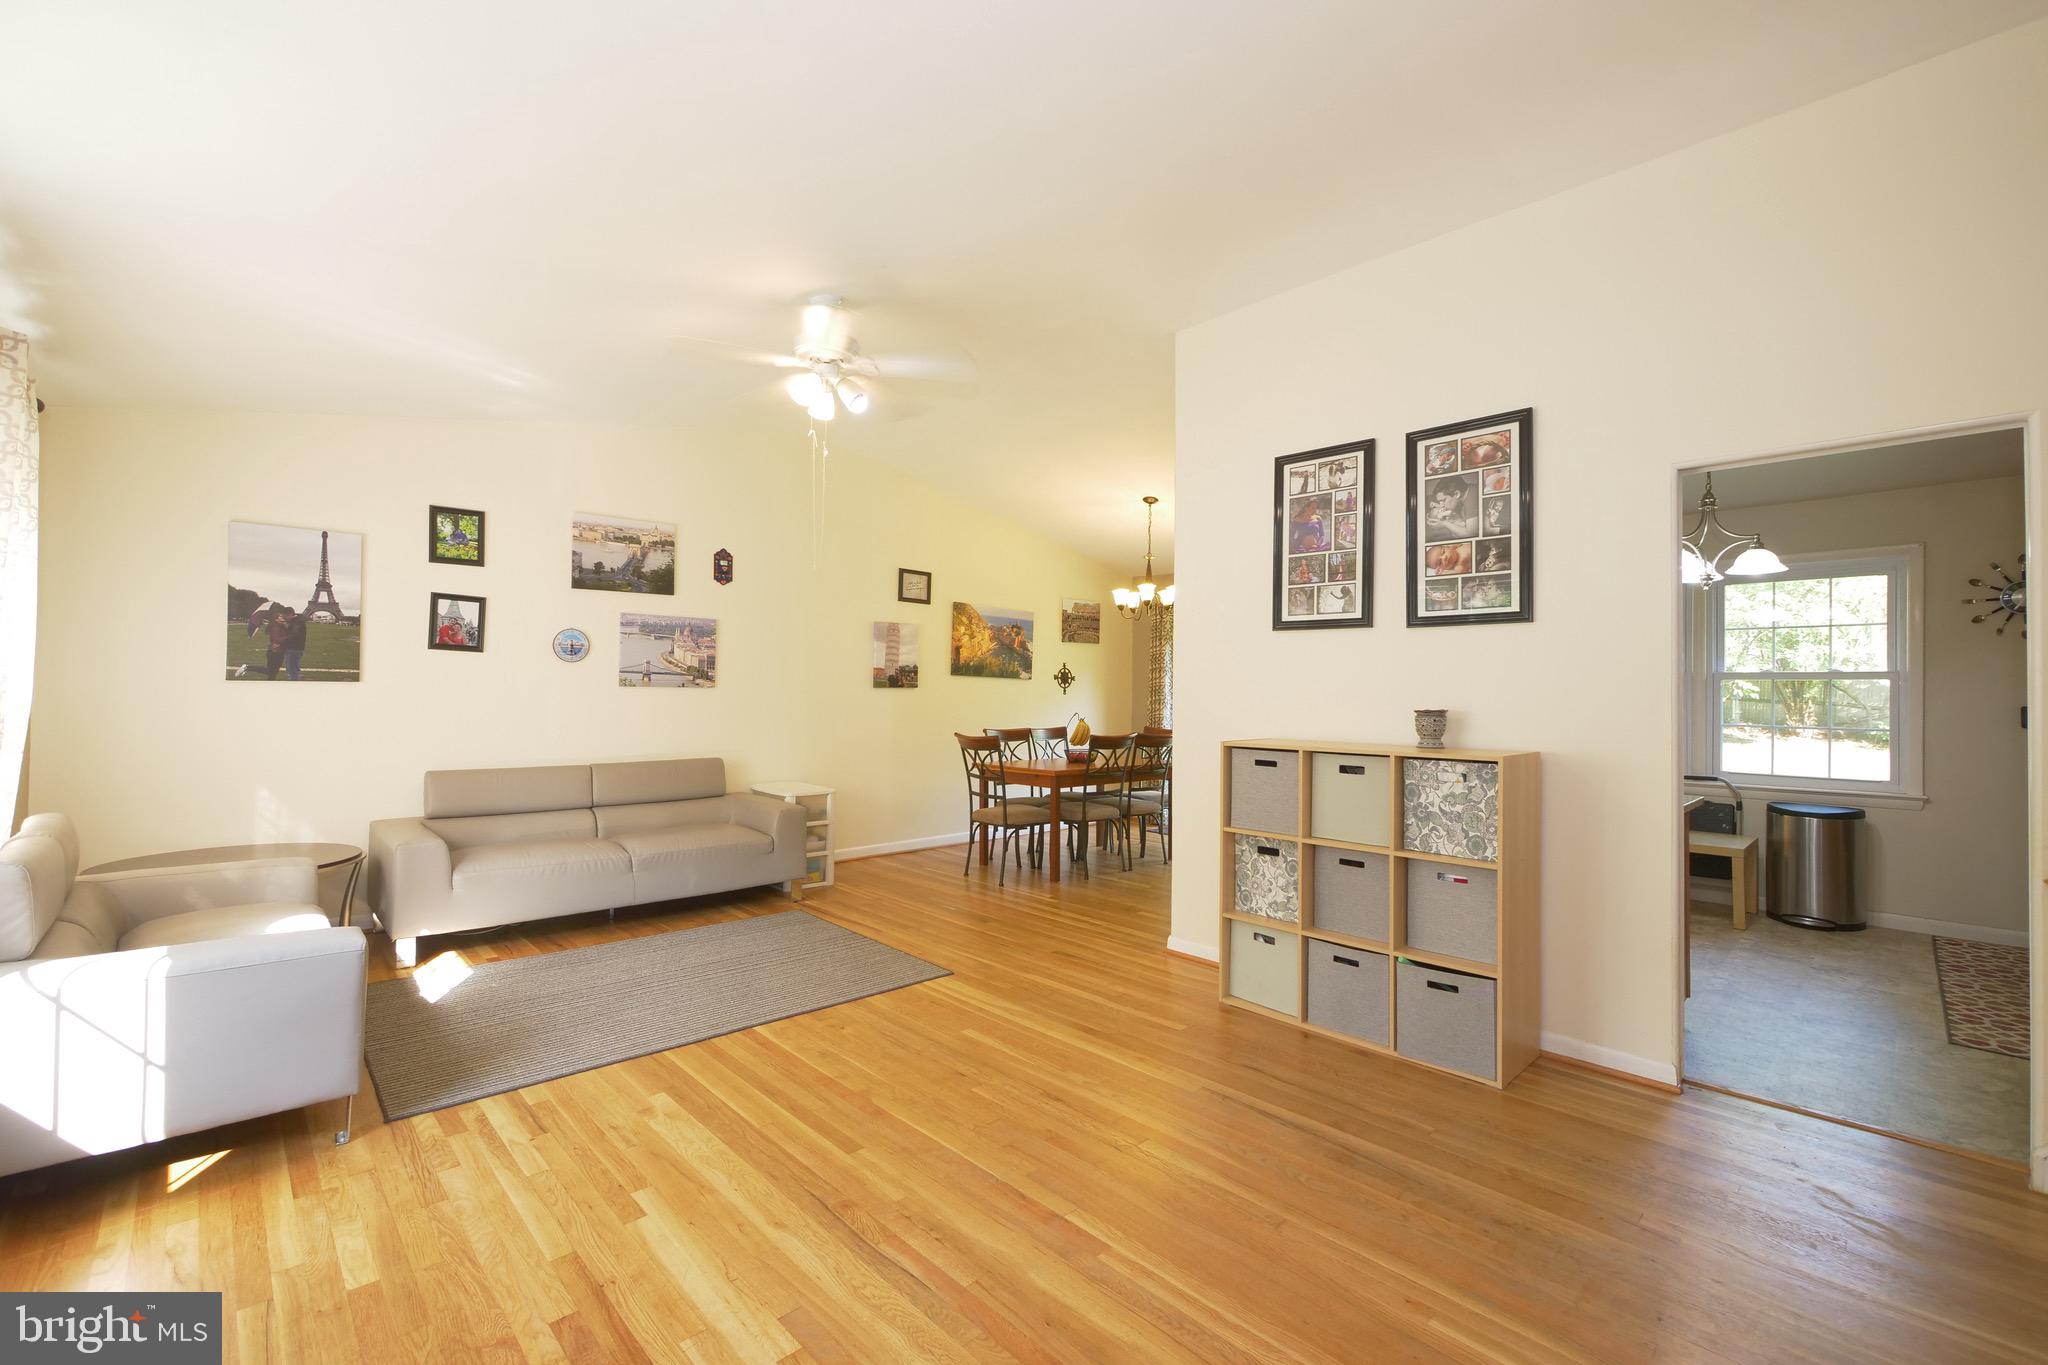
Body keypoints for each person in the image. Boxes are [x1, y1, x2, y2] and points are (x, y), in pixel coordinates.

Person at [263, 606, 292, 678]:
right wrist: (289, 637)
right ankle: (248, 667)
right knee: (271, 672)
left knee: (272, 673)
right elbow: (277, 639)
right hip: (275, 652)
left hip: (278, 651)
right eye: (280, 616)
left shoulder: (281, 626)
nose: (282, 617)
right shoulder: (276, 627)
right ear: (276, 619)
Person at [280, 607, 308, 680]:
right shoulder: (296, 621)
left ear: (289, 614)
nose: (284, 618)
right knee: (293, 670)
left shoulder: (297, 622)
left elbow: (294, 635)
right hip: (295, 649)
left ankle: (294, 686)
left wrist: (281, 641)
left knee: (292, 671)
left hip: (294, 649)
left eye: (284, 617)